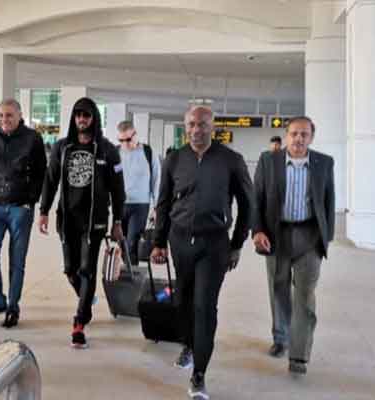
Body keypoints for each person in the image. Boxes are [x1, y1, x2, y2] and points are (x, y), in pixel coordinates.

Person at [150, 106, 253, 399]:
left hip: (214, 243)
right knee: (183, 301)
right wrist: (158, 242)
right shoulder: (174, 159)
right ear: (185, 127)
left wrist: (237, 244)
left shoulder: (231, 160)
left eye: (203, 124)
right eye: (192, 124)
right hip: (180, 241)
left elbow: (248, 204)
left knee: (204, 306)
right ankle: (189, 345)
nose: (197, 130)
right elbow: (163, 203)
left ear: (213, 127)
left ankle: (199, 374)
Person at [39, 97, 125, 349]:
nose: (81, 119)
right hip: (67, 219)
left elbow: (118, 190)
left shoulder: (108, 150)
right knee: (70, 269)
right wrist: (43, 211)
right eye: (78, 115)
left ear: (94, 118)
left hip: (94, 221)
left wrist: (118, 220)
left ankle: (80, 322)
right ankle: (86, 297)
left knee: (87, 270)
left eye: (86, 115)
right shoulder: (62, 148)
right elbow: (50, 180)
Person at [252, 116, 335, 375]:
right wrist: (257, 230)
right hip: (276, 235)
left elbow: (329, 201)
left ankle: (299, 355)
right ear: (286, 135)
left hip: (309, 237)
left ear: (312, 137)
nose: (299, 138)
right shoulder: (268, 161)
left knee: (305, 297)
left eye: (304, 134)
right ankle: (281, 338)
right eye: (294, 133)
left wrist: (326, 238)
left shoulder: (324, 163)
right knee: (278, 290)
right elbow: (256, 198)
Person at [0, 99, 47, 328]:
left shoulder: (32, 138)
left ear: (19, 115)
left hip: (21, 209)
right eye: (1, 115)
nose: (4, 119)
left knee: (17, 261)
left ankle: (13, 307)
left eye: (9, 115)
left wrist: (30, 200)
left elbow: (40, 172)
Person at [116, 120, 161, 266]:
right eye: (121, 140)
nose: (125, 144)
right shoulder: (116, 153)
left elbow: (156, 181)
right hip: (120, 205)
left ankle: (132, 274)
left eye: (128, 139)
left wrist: (157, 207)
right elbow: (111, 179)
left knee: (132, 242)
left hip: (140, 205)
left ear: (135, 135)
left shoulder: (148, 152)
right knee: (122, 243)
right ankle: (127, 271)